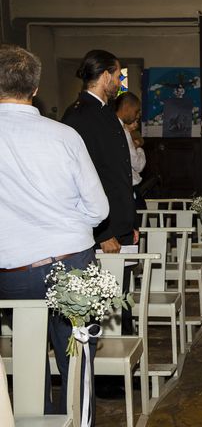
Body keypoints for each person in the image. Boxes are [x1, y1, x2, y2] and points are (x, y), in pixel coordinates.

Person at [0, 44, 108, 416]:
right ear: (34, 87)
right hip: (70, 262)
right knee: (77, 357)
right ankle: (76, 420)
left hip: (11, 271)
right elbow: (98, 209)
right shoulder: (63, 136)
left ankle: (35, 417)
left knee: (28, 353)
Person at [62, 50, 137, 253]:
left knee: (124, 284)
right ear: (105, 76)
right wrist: (102, 234)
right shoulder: (80, 115)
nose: (120, 82)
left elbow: (118, 171)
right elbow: (80, 178)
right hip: (103, 232)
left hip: (119, 224)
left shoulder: (105, 111)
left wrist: (130, 223)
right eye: (118, 76)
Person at [115, 92, 147, 210]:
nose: (137, 116)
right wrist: (139, 148)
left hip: (115, 188)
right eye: (136, 111)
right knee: (140, 225)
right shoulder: (123, 132)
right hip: (129, 187)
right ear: (126, 108)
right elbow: (138, 166)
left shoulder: (107, 125)